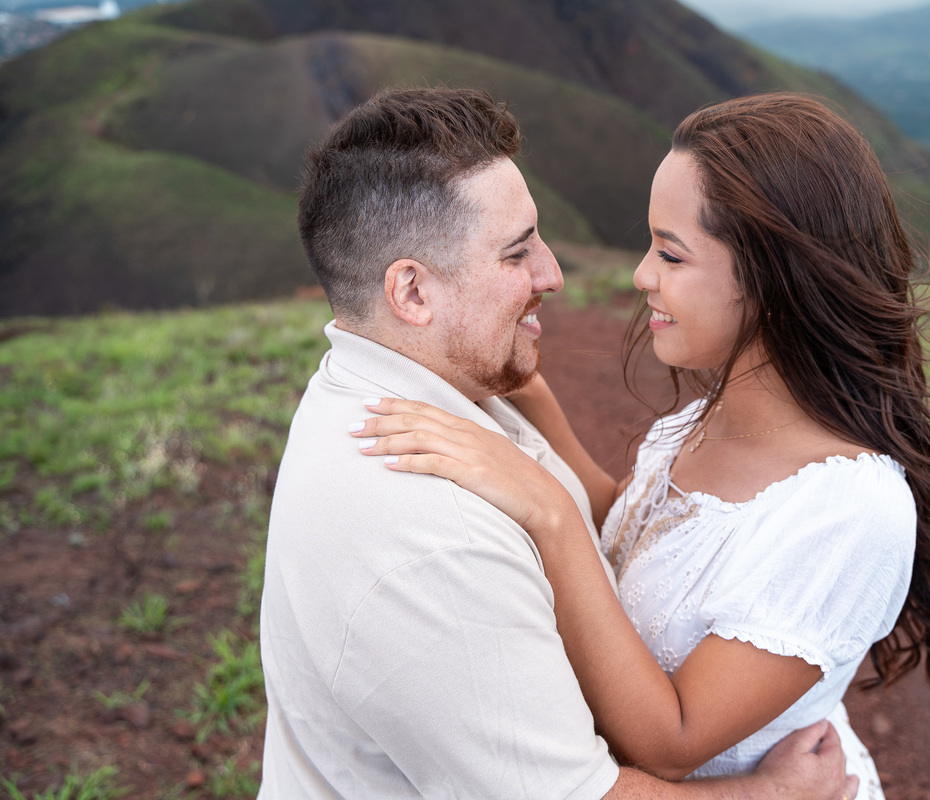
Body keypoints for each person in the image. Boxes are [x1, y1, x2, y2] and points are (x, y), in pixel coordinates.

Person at [353, 93, 930, 799]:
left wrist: (547, 510)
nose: (642, 274)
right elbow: (635, 541)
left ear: (772, 280)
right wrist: (523, 396)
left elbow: (670, 741)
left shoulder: (847, 512)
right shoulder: (702, 423)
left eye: (671, 253)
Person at [258, 86, 859, 799]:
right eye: (517, 255)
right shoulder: (433, 538)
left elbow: (626, 530)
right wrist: (777, 795)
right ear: (412, 293)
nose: (553, 275)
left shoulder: (415, 389)